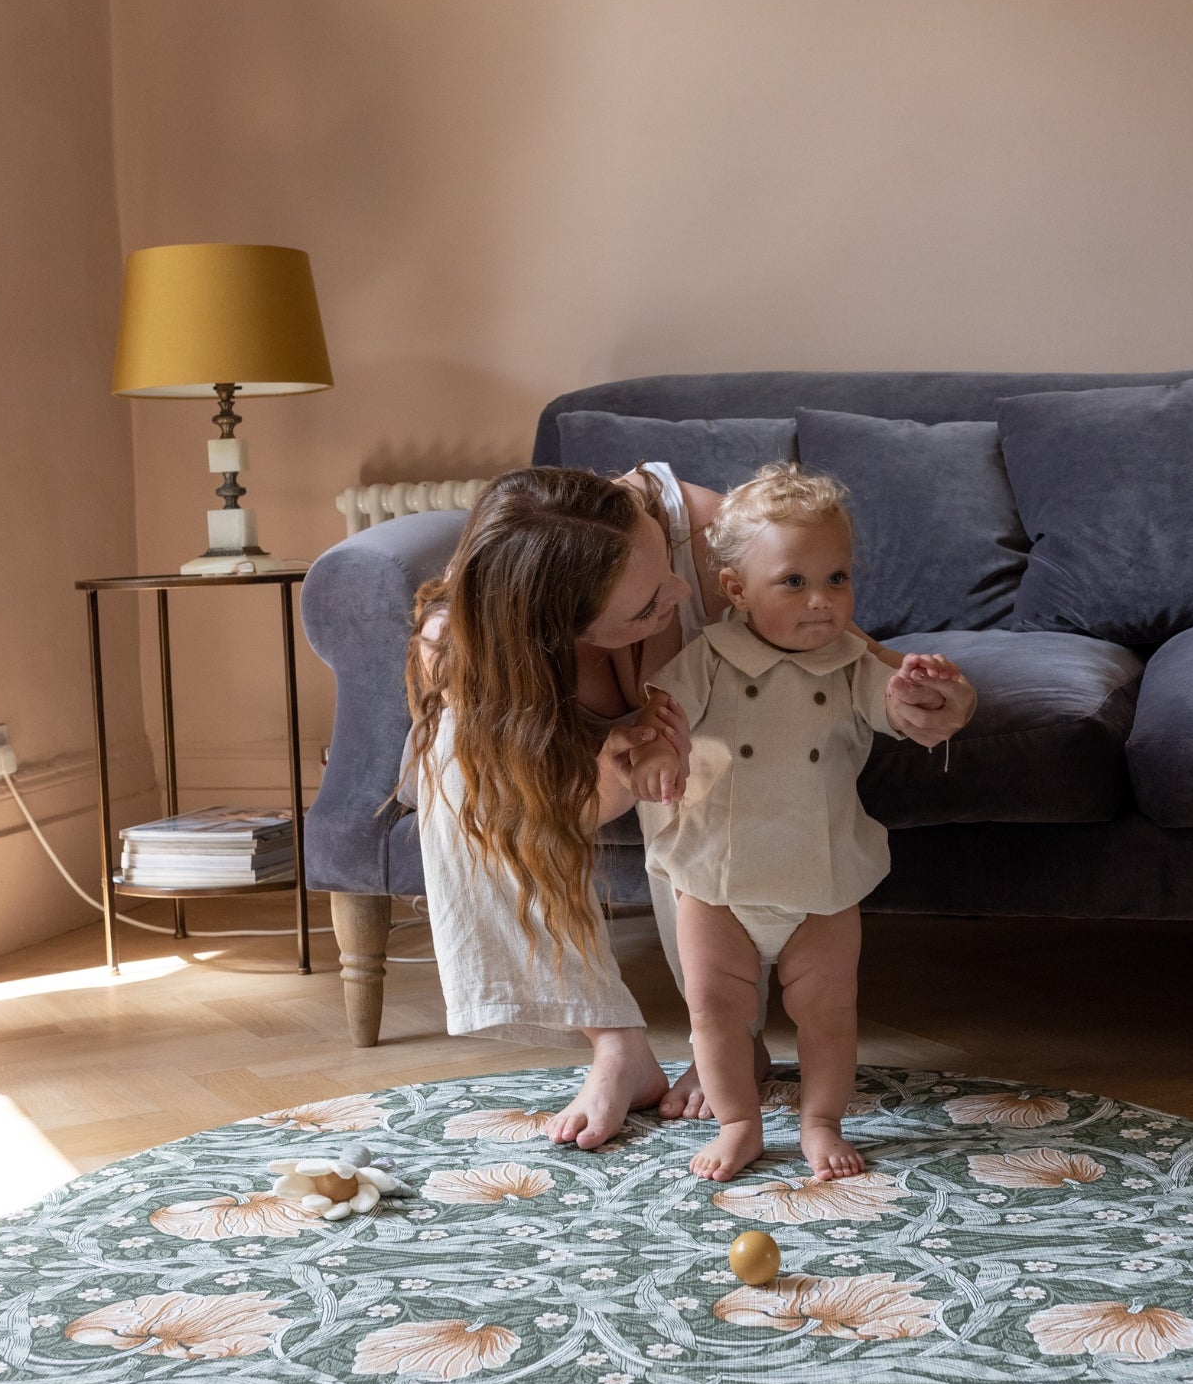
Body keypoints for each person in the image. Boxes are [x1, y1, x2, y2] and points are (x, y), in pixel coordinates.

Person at [406, 462, 976, 1153]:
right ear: (561, 631)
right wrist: (622, 775)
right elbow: (538, 816)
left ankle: (740, 1041)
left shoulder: (704, 536)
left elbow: (859, 658)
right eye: (649, 606)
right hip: (612, 762)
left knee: (684, 745)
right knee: (459, 770)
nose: (682, 591)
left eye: (666, 567)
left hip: (718, 757)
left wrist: (927, 706)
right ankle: (618, 1043)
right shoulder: (461, 647)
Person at [627, 464, 973, 1183]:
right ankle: (739, 1120)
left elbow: (902, 712)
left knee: (828, 1012)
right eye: (794, 581)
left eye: (838, 578)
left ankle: (821, 1118)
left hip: (819, 880)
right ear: (736, 590)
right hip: (716, 878)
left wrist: (934, 701)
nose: (822, 600)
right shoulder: (711, 659)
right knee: (715, 1011)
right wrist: (659, 747)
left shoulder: (852, 665)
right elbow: (661, 711)